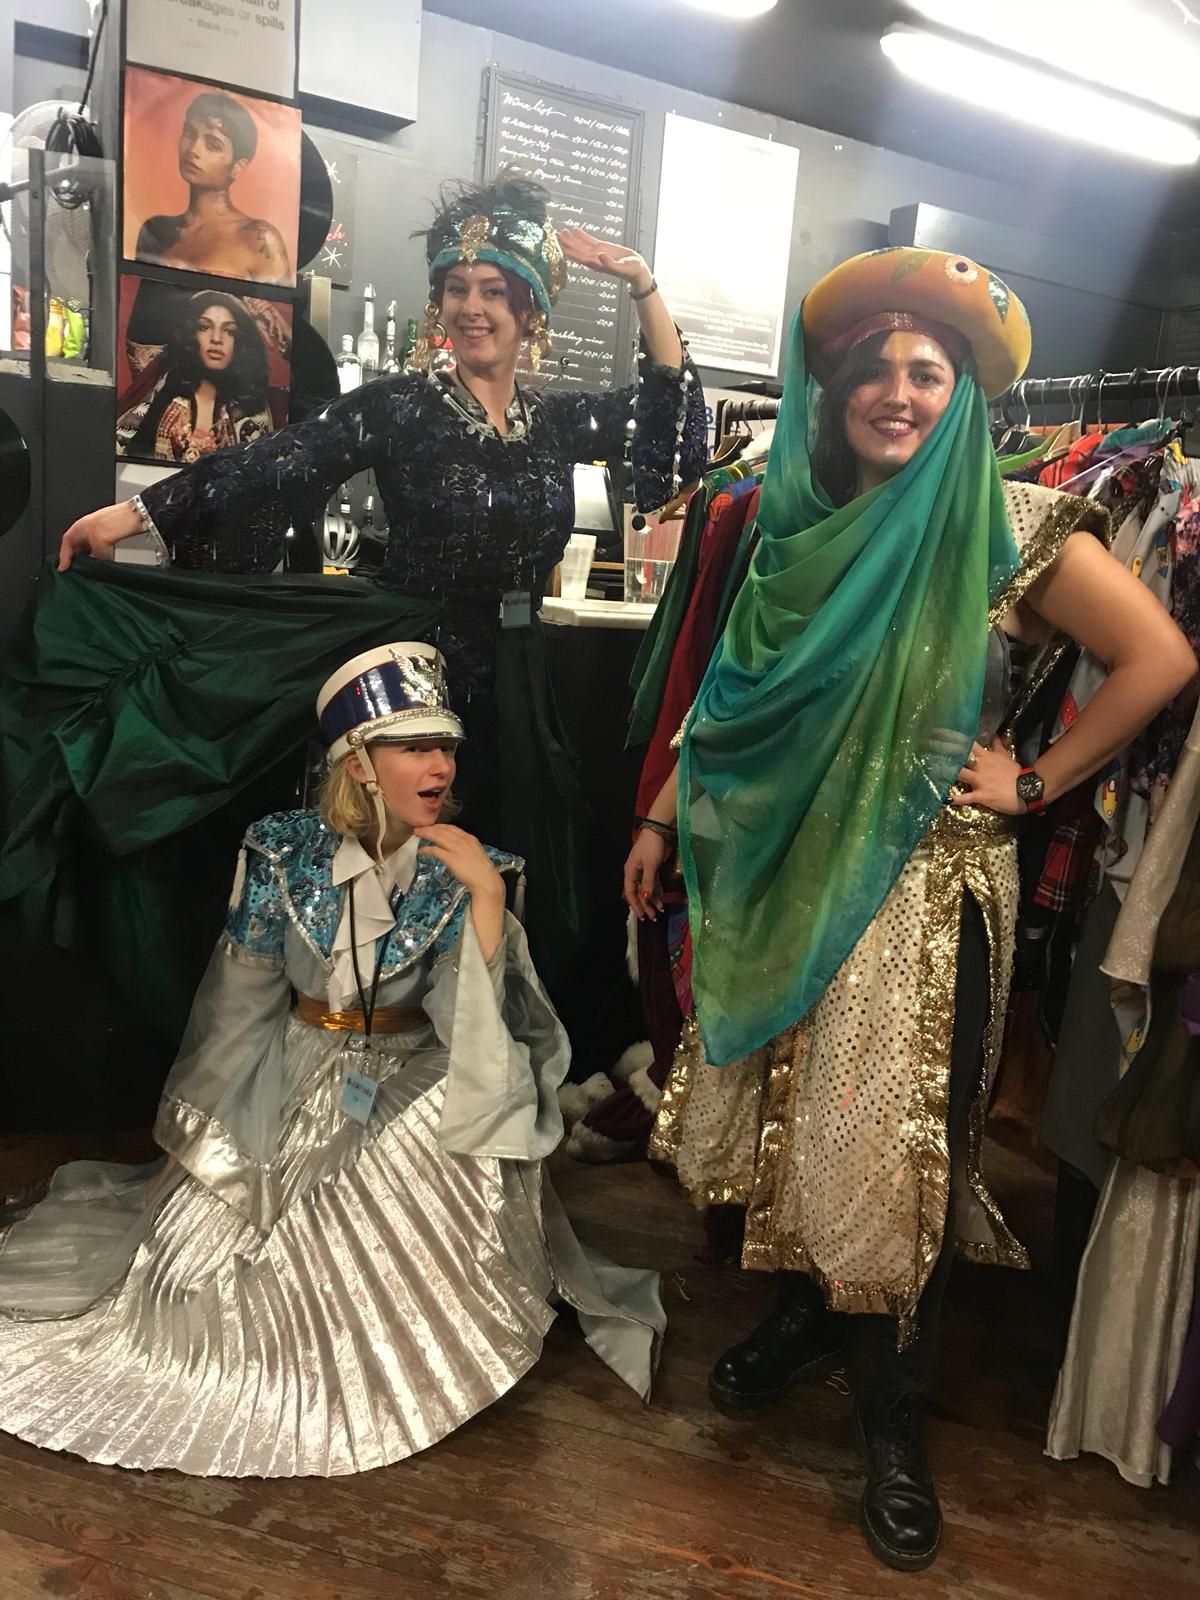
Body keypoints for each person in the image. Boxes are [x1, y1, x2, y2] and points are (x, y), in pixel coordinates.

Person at [623, 248, 1196, 1571]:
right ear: (832, 393)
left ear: (966, 395)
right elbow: (731, 683)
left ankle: (892, 1424)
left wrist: (1039, 776)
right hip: (786, 872)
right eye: (871, 368)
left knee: (902, 1153)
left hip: (930, 895)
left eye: (925, 372)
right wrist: (659, 815)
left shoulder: (1017, 526)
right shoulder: (795, 517)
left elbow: (1162, 656)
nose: (894, 391)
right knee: (790, 1115)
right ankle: (815, 1314)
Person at [11, 171, 705, 1038]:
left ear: (531, 310)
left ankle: (486, 1063)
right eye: (455, 289)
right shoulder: (400, 408)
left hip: (525, 682)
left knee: (517, 872)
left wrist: (643, 286)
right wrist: (139, 510)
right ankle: (380, 1079)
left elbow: (673, 435)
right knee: (405, 874)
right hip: (417, 679)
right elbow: (278, 461)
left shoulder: (555, 423)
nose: (471, 307)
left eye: (494, 290)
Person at [0, 642, 664, 1477]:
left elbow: (483, 1047)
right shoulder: (280, 853)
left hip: (412, 1072)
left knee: (429, 1131)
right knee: (212, 1256)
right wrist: (197, 1135)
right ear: (357, 761)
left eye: (447, 747)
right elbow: (239, 1008)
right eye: (415, 748)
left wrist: (488, 906)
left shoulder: (477, 869)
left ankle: (396, 1317)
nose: (440, 767)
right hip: (295, 1067)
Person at [134, 89, 292, 284]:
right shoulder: (156, 230)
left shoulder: (258, 238)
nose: (194, 150)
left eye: (213, 144)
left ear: (237, 167)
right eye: (190, 134)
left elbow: (279, 311)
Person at [116, 291, 274, 463]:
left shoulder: (251, 412)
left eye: (229, 331)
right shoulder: (163, 394)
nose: (216, 339)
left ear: (240, 342)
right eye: (204, 327)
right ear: (192, 334)